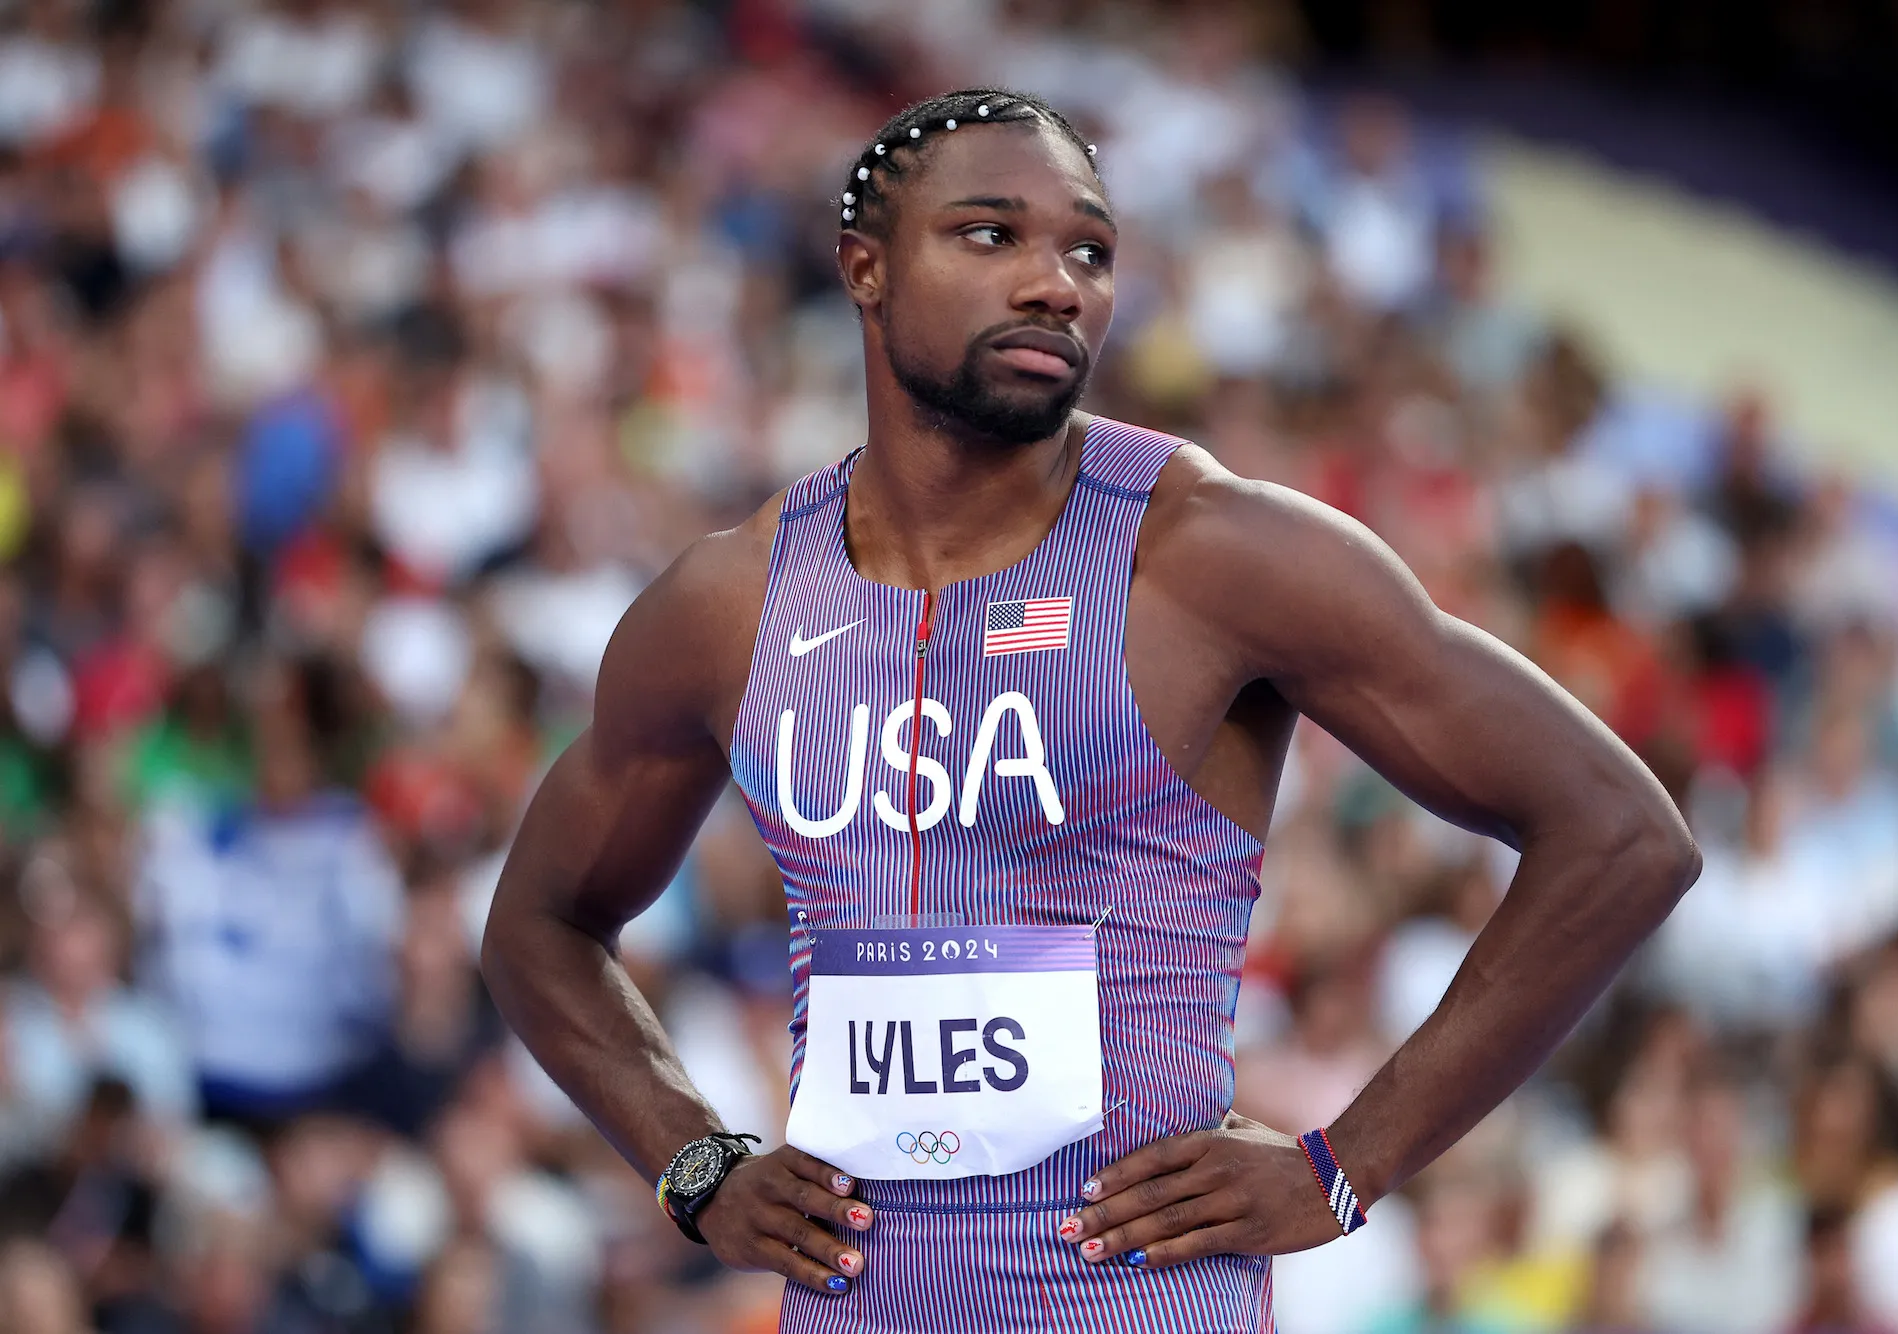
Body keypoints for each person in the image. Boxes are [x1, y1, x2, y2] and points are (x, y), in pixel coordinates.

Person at [480, 88, 1700, 1333]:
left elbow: (1619, 832)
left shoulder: (1212, 554)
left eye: (1089, 250)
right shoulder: (730, 603)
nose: (1054, 283)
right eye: (989, 235)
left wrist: (1347, 1164)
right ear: (864, 268)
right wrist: (696, 1165)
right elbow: (538, 923)